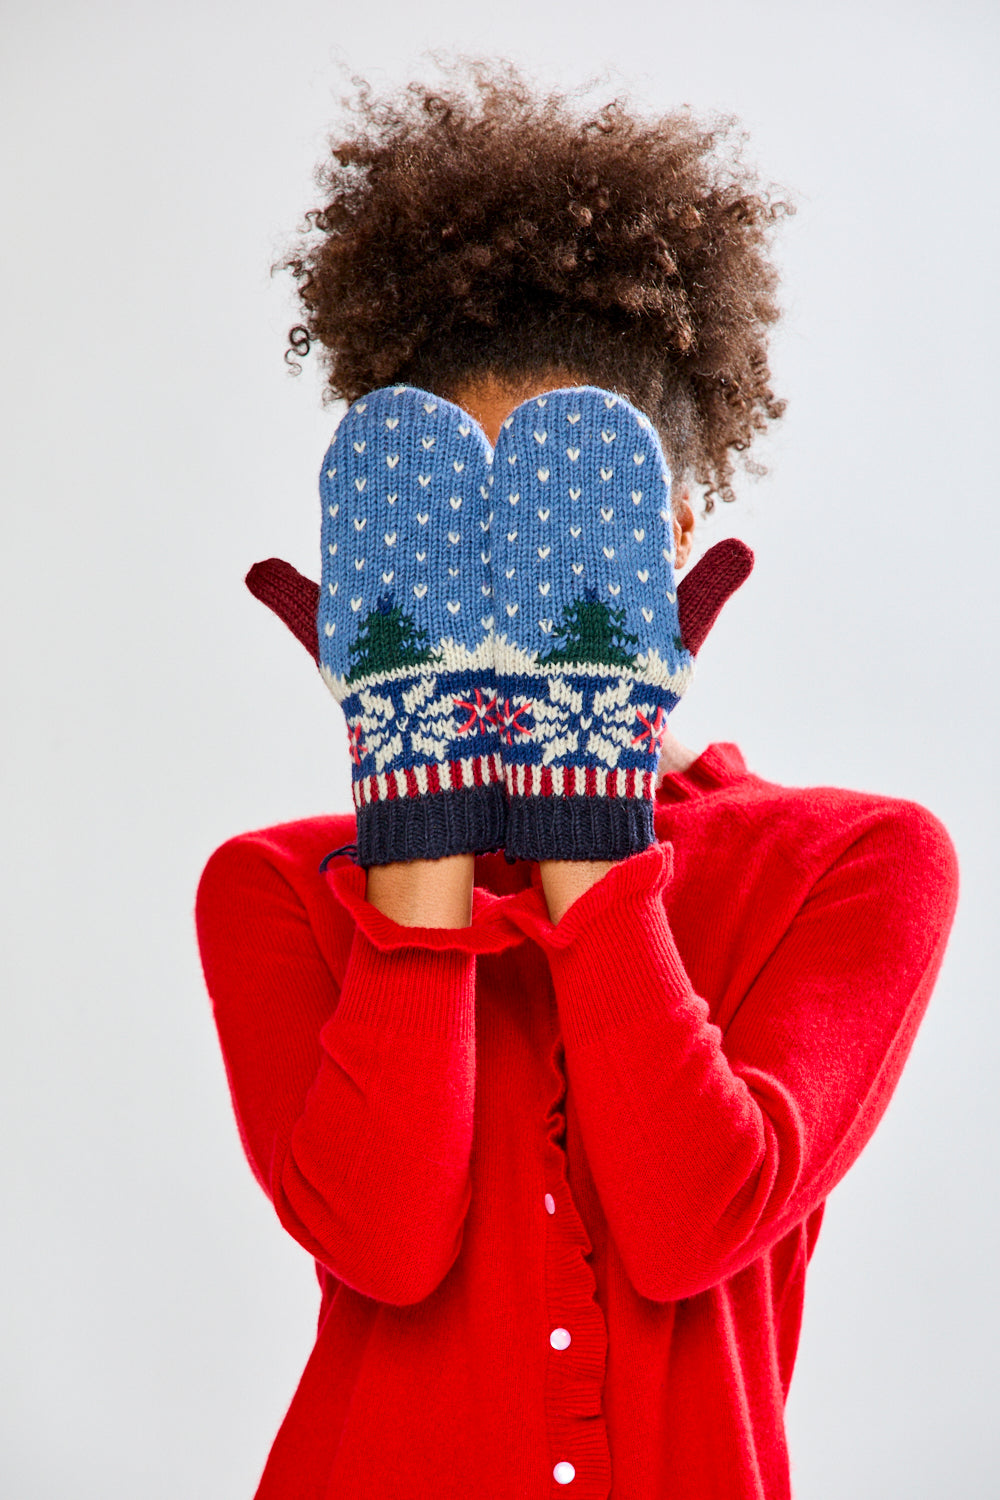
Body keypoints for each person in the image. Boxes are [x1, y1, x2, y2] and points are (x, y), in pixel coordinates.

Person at [195, 65, 959, 1500]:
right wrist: (417, 811)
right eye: (447, 540)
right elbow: (384, 1247)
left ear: (667, 537)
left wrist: (580, 803)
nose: (502, 594)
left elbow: (690, 1225)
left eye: (555, 542)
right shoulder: (277, 890)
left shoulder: (855, 864)